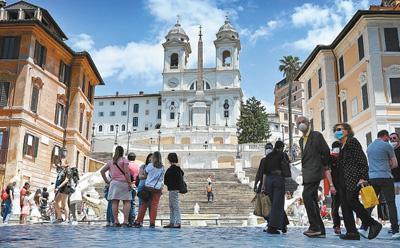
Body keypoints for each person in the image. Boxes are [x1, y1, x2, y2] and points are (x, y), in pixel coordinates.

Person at [333, 123, 382, 240]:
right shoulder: (342, 146)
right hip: (343, 181)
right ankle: (352, 232)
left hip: (353, 179)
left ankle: (373, 224)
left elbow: (362, 160)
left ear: (347, 131)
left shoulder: (352, 142)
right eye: (335, 130)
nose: (337, 132)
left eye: (339, 129)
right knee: (345, 206)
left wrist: (363, 177)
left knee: (352, 201)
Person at [296, 116, 334, 238]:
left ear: (308, 123)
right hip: (307, 174)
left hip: (315, 171)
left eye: (303, 122)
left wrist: (323, 166)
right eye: (299, 123)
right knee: (311, 199)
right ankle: (320, 230)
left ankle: (314, 227)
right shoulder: (301, 141)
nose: (301, 124)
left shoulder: (316, 135)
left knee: (306, 196)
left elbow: (326, 151)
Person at [366, 130, 399, 238]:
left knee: (371, 203)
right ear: (385, 136)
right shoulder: (387, 146)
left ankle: (364, 227)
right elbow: (395, 164)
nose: (389, 141)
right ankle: (395, 231)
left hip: (372, 178)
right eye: (388, 139)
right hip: (385, 176)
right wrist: (386, 166)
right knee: (391, 204)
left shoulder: (369, 147)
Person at [261, 141, 290, 234]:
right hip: (278, 180)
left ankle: (283, 224)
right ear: (281, 147)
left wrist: (263, 185)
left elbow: (264, 172)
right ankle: (272, 227)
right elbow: (287, 166)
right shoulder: (283, 155)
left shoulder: (268, 157)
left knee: (274, 203)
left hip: (269, 181)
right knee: (277, 204)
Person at [100, 146, 133, 227]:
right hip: (124, 183)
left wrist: (107, 181)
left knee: (115, 202)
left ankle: (116, 221)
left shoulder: (111, 161)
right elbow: (126, 172)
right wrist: (129, 183)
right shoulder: (124, 160)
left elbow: (102, 171)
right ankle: (125, 221)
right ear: (122, 152)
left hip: (114, 183)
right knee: (127, 201)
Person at [134, 151, 165, 228]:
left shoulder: (150, 165)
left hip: (148, 187)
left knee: (143, 205)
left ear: (153, 157)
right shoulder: (162, 167)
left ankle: (138, 221)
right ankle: (152, 223)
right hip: (157, 189)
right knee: (154, 206)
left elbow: (145, 175)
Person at [164, 153, 184, 228]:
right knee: (172, 206)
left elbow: (165, 179)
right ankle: (172, 222)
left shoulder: (171, 169)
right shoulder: (178, 168)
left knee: (174, 206)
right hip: (175, 189)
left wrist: (169, 184)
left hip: (173, 189)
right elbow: (182, 174)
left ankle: (177, 222)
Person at [54, 159, 72, 223]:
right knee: (55, 202)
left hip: (66, 188)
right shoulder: (63, 170)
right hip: (61, 188)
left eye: (62, 162)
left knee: (64, 203)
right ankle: (60, 217)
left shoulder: (68, 170)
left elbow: (66, 180)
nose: (60, 163)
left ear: (66, 163)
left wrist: (59, 186)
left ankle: (67, 219)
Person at [330, 141, 342, 235]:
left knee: (337, 207)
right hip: (335, 186)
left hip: (341, 185)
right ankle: (336, 226)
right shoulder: (331, 158)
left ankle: (339, 226)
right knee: (335, 207)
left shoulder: (344, 157)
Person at [390, 132, 400, 227]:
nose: (392, 140)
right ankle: (397, 223)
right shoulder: (390, 152)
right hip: (394, 181)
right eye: (391, 139)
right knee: (396, 201)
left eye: (394, 138)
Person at [127, 152, 139, 226]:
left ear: (128, 158)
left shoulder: (127, 165)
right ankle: (132, 219)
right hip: (135, 185)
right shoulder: (137, 166)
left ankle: (128, 220)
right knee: (133, 203)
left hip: (128, 185)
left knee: (127, 203)